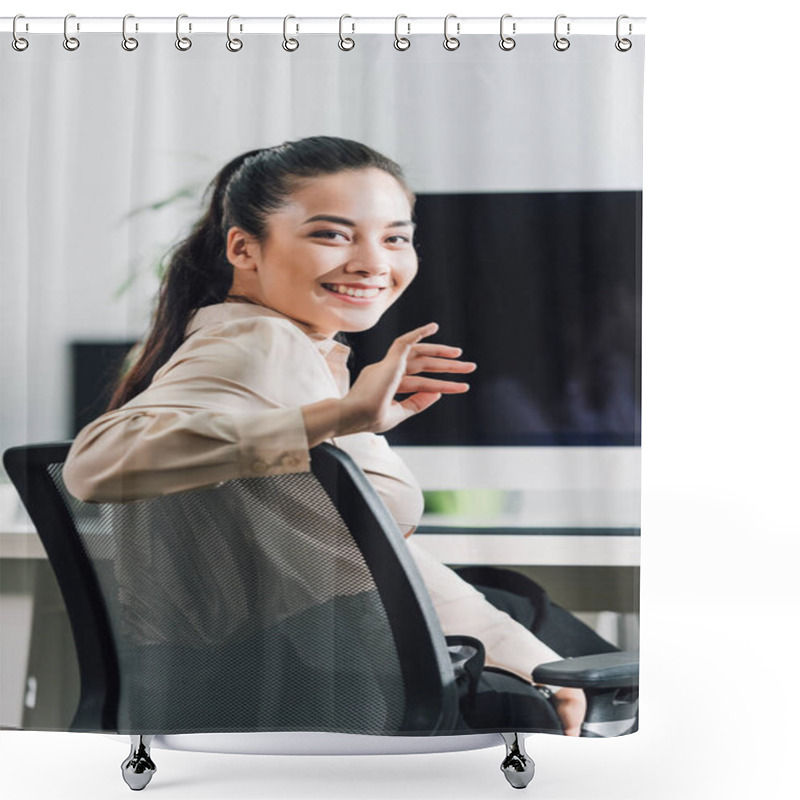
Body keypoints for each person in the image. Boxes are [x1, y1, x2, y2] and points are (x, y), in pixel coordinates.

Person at [63, 136, 590, 735]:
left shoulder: (283, 346)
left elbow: (364, 557)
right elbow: (95, 464)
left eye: (395, 237)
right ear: (244, 247)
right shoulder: (256, 344)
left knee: (528, 616)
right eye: (332, 234)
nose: (373, 262)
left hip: (292, 679)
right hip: (320, 687)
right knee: (596, 665)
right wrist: (340, 418)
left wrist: (529, 660)